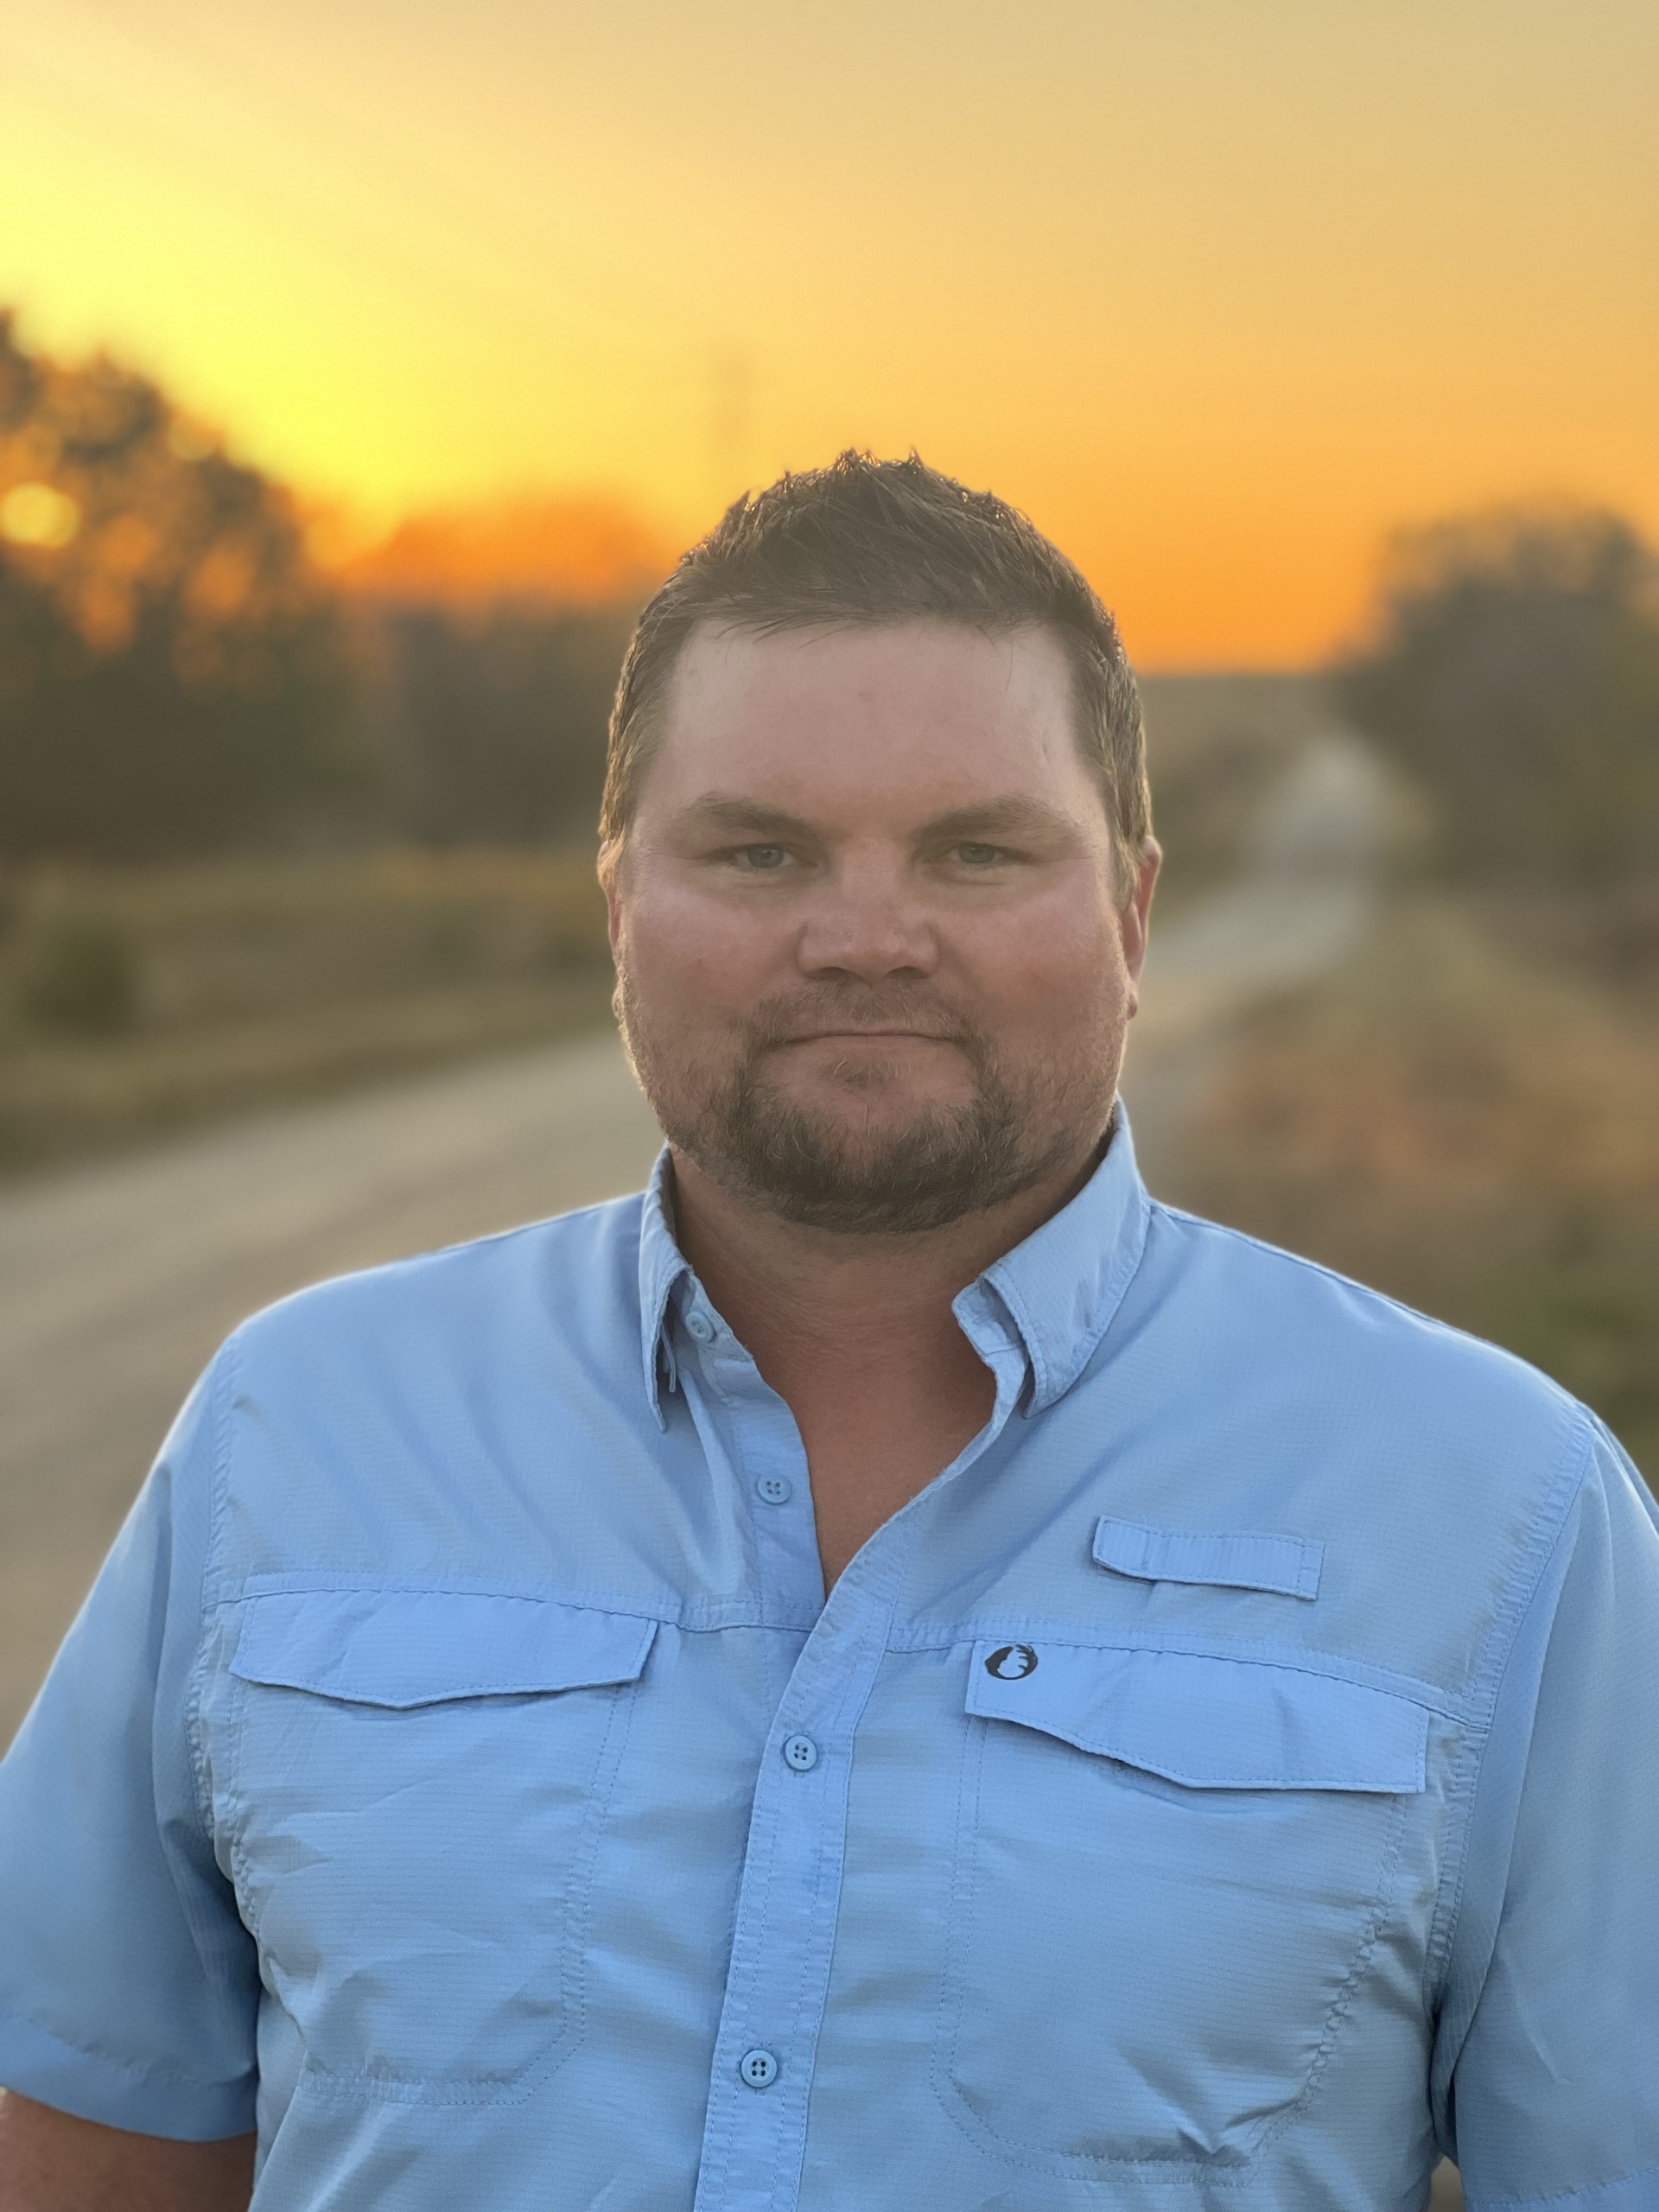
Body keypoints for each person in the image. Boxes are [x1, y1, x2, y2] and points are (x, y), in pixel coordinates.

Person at [0, 454, 1655, 2212]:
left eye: (976, 850)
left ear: (1132, 911)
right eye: (761, 849)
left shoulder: (1504, 1511)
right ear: (619, 903)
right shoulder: (296, 1423)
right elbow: (85, 2138)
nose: (866, 937)